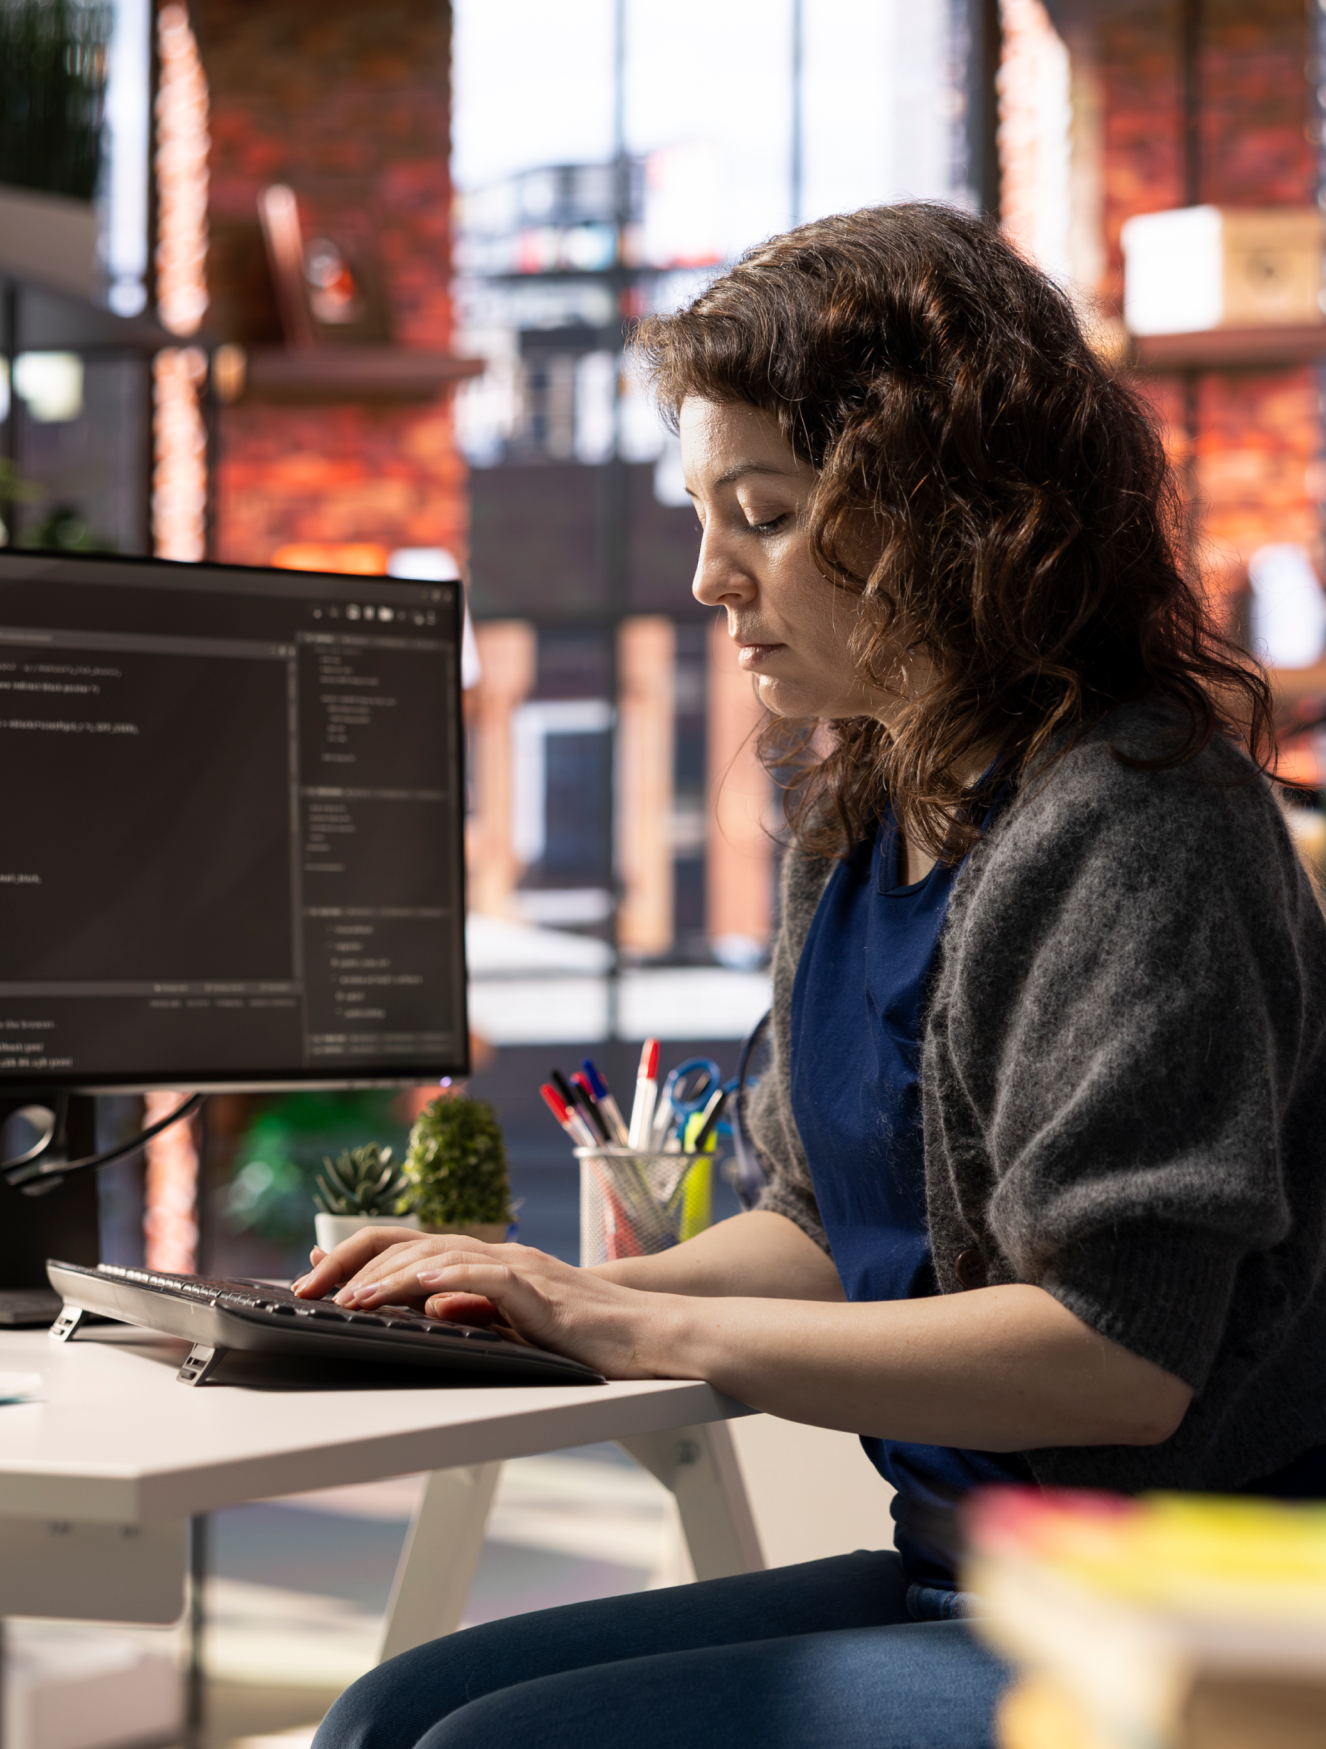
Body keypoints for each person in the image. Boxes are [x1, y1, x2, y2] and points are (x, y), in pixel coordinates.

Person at [303, 204, 1326, 1749]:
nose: (713, 580)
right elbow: (810, 1227)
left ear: (956, 517)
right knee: (395, 1715)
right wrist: (532, 1297)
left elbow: (1115, 1357)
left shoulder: (1135, 822)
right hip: (966, 1571)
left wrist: (639, 1327)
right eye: (706, 516)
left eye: (766, 514)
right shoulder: (864, 810)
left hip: (1187, 1606)